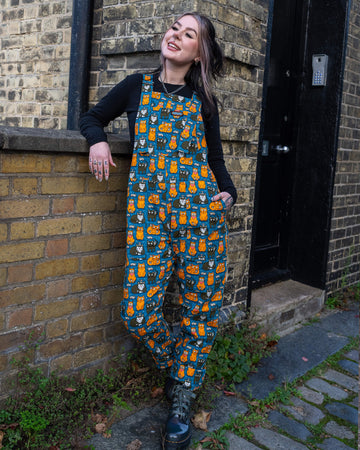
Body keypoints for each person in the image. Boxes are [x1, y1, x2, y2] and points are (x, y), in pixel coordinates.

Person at [80, 12, 237, 449]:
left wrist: (228, 194)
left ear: (198, 53)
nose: (176, 36)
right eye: (174, 28)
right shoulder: (136, 86)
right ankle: (181, 369)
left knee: (199, 311)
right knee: (138, 311)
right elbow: (92, 117)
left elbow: (217, 161)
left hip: (200, 222)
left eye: (189, 35)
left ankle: (183, 397)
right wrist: (97, 140)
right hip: (150, 220)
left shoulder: (203, 100)